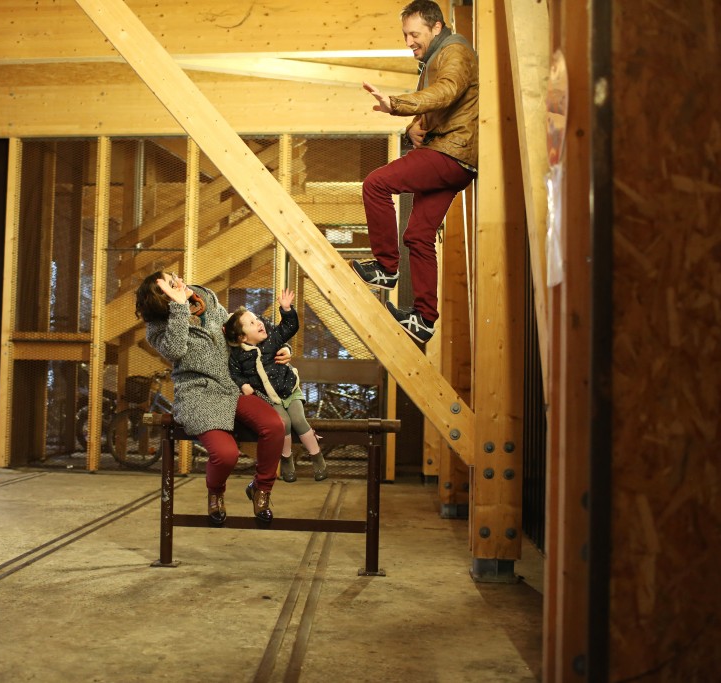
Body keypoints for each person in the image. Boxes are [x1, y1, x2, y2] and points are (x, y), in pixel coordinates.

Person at [351, 0, 478, 344]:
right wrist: (411, 127)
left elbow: (448, 90)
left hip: (450, 153)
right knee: (418, 236)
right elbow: (436, 107)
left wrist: (398, 103)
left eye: (414, 33)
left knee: (376, 184)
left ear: (436, 27)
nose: (408, 40)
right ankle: (423, 319)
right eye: (405, 34)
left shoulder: (454, 51)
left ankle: (385, 268)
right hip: (448, 152)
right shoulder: (433, 58)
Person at [135, 270, 287, 525]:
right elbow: (175, 349)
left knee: (275, 425)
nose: (180, 283)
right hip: (198, 394)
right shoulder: (157, 328)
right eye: (172, 284)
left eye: (176, 278)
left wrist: (280, 348)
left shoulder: (206, 299)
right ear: (161, 298)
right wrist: (179, 307)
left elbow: (240, 329)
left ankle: (261, 488)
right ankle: (216, 492)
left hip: (233, 385)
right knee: (226, 455)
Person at [223, 289, 329, 484]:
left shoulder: (271, 340)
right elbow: (234, 373)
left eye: (257, 319)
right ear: (242, 338)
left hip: (290, 390)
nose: (259, 323)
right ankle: (287, 458)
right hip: (271, 398)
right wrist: (243, 384)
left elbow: (289, 327)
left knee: (298, 419)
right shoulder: (238, 356)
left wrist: (286, 309)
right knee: (284, 424)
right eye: (252, 323)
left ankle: (317, 457)